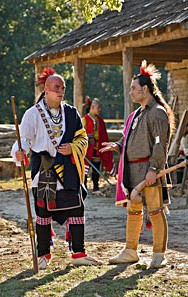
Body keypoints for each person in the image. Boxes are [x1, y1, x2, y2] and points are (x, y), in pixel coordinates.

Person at [11, 68, 102, 269]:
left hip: (68, 170)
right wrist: (20, 151)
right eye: (56, 88)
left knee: (77, 208)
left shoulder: (70, 112)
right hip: (44, 171)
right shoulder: (32, 114)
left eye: (62, 88)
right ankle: (43, 255)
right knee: (43, 213)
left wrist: (73, 148)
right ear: (45, 89)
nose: (60, 91)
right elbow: (24, 140)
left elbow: (82, 137)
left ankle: (78, 253)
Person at [100, 60, 175, 268]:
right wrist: (117, 145)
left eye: (134, 88)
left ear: (145, 89)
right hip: (133, 171)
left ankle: (159, 254)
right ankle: (130, 251)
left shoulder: (157, 112)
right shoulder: (139, 113)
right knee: (133, 211)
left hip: (149, 170)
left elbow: (161, 145)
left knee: (155, 211)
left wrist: (153, 170)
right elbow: (130, 139)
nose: (131, 92)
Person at [82, 97, 116, 194]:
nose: (99, 109)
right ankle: (83, 188)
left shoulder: (100, 121)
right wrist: (87, 137)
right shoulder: (84, 120)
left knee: (96, 168)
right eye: (98, 107)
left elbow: (103, 135)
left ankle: (95, 188)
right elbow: (79, 134)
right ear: (92, 107)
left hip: (97, 148)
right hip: (87, 148)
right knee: (84, 169)